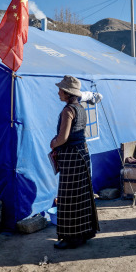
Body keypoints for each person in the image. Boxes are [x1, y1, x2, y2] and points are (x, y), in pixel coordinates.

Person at [50, 75, 99, 249]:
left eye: (60, 90)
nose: (58, 92)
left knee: (68, 196)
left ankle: (71, 239)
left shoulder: (68, 110)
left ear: (67, 93)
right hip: (82, 153)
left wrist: (53, 143)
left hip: (71, 155)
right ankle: (83, 234)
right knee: (82, 195)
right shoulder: (81, 109)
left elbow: (63, 138)